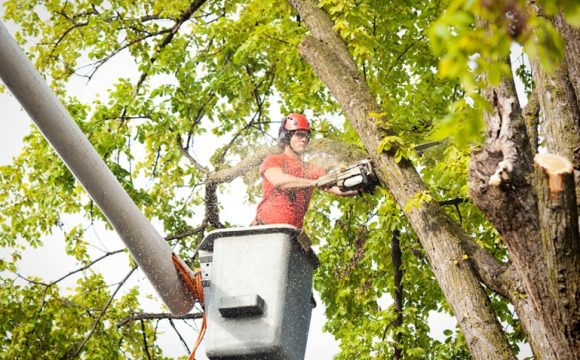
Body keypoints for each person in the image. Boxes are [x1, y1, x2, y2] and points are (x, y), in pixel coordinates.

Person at [253, 113, 357, 228]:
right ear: (287, 136)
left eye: (306, 136)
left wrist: (361, 186)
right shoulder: (274, 160)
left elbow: (339, 189)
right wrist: (313, 182)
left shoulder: (311, 169)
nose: (304, 139)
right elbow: (280, 181)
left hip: (291, 233)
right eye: (299, 135)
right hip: (264, 229)